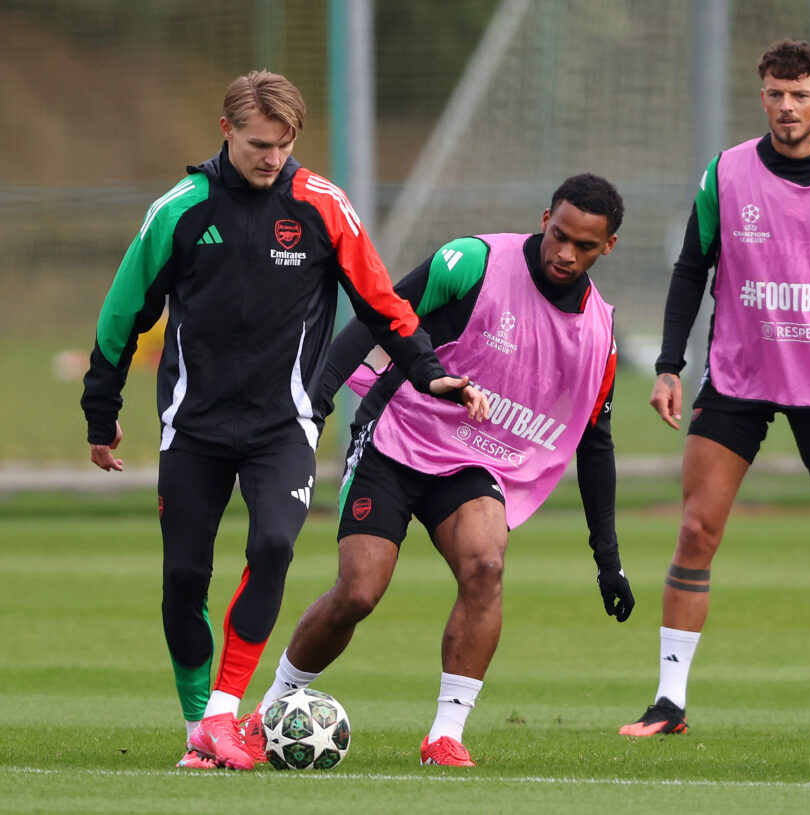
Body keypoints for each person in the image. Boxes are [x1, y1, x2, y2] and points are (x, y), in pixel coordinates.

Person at [80, 70, 486, 771]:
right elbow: (124, 313)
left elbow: (382, 300)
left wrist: (428, 368)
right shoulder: (179, 209)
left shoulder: (323, 205)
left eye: (285, 144)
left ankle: (220, 713)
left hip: (284, 423)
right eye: (259, 145)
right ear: (226, 131)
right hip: (193, 424)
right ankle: (196, 728)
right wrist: (101, 409)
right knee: (183, 575)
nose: (273, 158)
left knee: (272, 545)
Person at [249, 173, 635, 767]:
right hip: (396, 437)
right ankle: (272, 708)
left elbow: (596, 441)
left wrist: (608, 559)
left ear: (607, 246)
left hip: (474, 460)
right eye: (559, 235)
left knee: (485, 564)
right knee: (358, 592)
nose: (565, 253)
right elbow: (380, 316)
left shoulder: (600, 334)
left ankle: (445, 736)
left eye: (584, 246)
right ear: (544, 219)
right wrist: (316, 402)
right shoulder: (472, 261)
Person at [619, 40, 810, 740]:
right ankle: (669, 702)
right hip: (738, 375)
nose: (788, 106)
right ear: (763, 98)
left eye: (801, 93)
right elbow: (691, 266)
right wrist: (670, 364)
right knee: (696, 528)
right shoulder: (726, 173)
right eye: (776, 94)